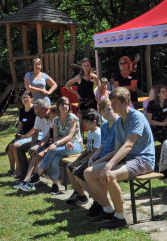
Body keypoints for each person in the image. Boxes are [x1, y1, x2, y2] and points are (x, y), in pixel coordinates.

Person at [84, 87, 155, 229]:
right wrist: (100, 163)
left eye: (115, 102)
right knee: (89, 173)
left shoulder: (136, 117)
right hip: (128, 159)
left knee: (109, 174)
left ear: (125, 102)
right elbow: (117, 149)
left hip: (144, 160)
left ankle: (120, 218)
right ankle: (108, 211)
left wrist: (109, 165)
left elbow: (128, 145)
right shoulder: (118, 122)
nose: (112, 106)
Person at [76, 99, 119, 216]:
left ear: (114, 109)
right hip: (102, 157)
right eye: (103, 110)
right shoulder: (105, 126)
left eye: (109, 109)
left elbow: (117, 150)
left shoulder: (119, 124)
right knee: (78, 172)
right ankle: (100, 202)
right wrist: (93, 157)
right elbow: (102, 146)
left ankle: (103, 205)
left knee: (88, 173)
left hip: (114, 159)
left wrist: (97, 160)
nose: (106, 112)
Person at [37, 96, 83, 194]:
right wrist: (57, 143)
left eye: (66, 104)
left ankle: (37, 174)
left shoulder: (72, 117)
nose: (64, 106)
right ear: (58, 106)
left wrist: (55, 144)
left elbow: (70, 136)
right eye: (62, 104)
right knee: (55, 158)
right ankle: (55, 186)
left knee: (51, 150)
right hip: (63, 146)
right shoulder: (56, 120)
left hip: (75, 145)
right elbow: (56, 137)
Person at [64, 109, 102, 206]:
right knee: (69, 167)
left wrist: (79, 162)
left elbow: (94, 152)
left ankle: (82, 197)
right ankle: (77, 193)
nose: (84, 123)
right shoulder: (90, 132)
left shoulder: (98, 133)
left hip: (94, 159)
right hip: (88, 157)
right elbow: (87, 150)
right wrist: (77, 160)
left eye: (86, 121)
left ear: (94, 122)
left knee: (76, 170)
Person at [14, 98, 51, 181]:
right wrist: (32, 145)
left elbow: (49, 136)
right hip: (42, 140)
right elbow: (36, 132)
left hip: (48, 141)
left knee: (34, 151)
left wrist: (35, 147)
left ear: (46, 109)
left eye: (38, 113)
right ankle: (24, 176)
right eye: (35, 113)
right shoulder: (38, 116)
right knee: (20, 148)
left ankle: (33, 178)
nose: (37, 115)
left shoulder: (53, 117)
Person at [5, 91, 36, 176]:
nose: (25, 99)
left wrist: (26, 136)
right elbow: (20, 124)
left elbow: (36, 127)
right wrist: (18, 134)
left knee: (15, 146)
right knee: (9, 147)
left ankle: (19, 170)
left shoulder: (34, 110)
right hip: (23, 134)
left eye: (27, 97)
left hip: (32, 135)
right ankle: (12, 170)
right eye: (23, 97)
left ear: (31, 99)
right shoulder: (22, 110)